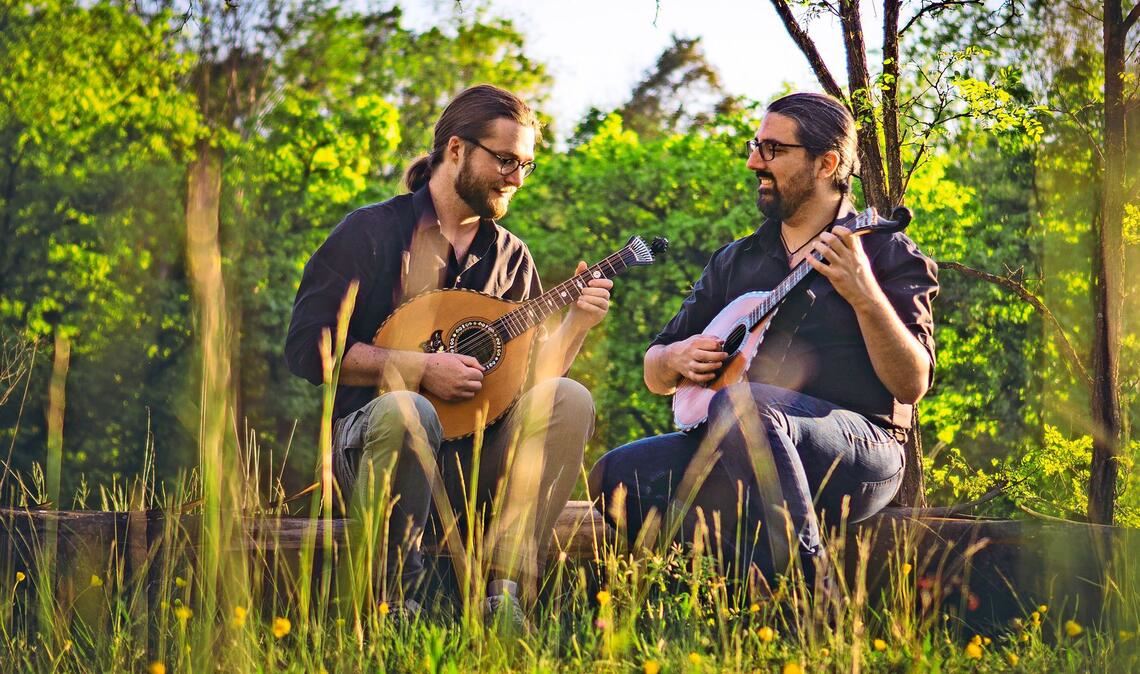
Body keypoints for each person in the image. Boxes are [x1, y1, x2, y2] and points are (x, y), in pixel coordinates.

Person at [285, 84, 612, 627]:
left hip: (473, 464)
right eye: (505, 160)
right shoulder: (369, 232)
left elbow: (532, 384)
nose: (516, 178)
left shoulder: (511, 258)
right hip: (375, 452)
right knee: (410, 410)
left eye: (526, 165)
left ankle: (504, 595)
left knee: (569, 398)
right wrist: (418, 368)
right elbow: (306, 350)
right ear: (456, 149)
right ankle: (394, 607)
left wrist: (577, 322)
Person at [588, 92, 938, 591]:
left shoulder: (884, 251)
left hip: (859, 451)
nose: (755, 162)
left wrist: (865, 295)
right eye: (756, 146)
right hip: (736, 450)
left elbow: (912, 383)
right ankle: (739, 594)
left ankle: (812, 597)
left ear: (826, 163)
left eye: (773, 149)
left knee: (745, 405)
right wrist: (676, 357)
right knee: (617, 474)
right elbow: (654, 372)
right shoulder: (738, 259)